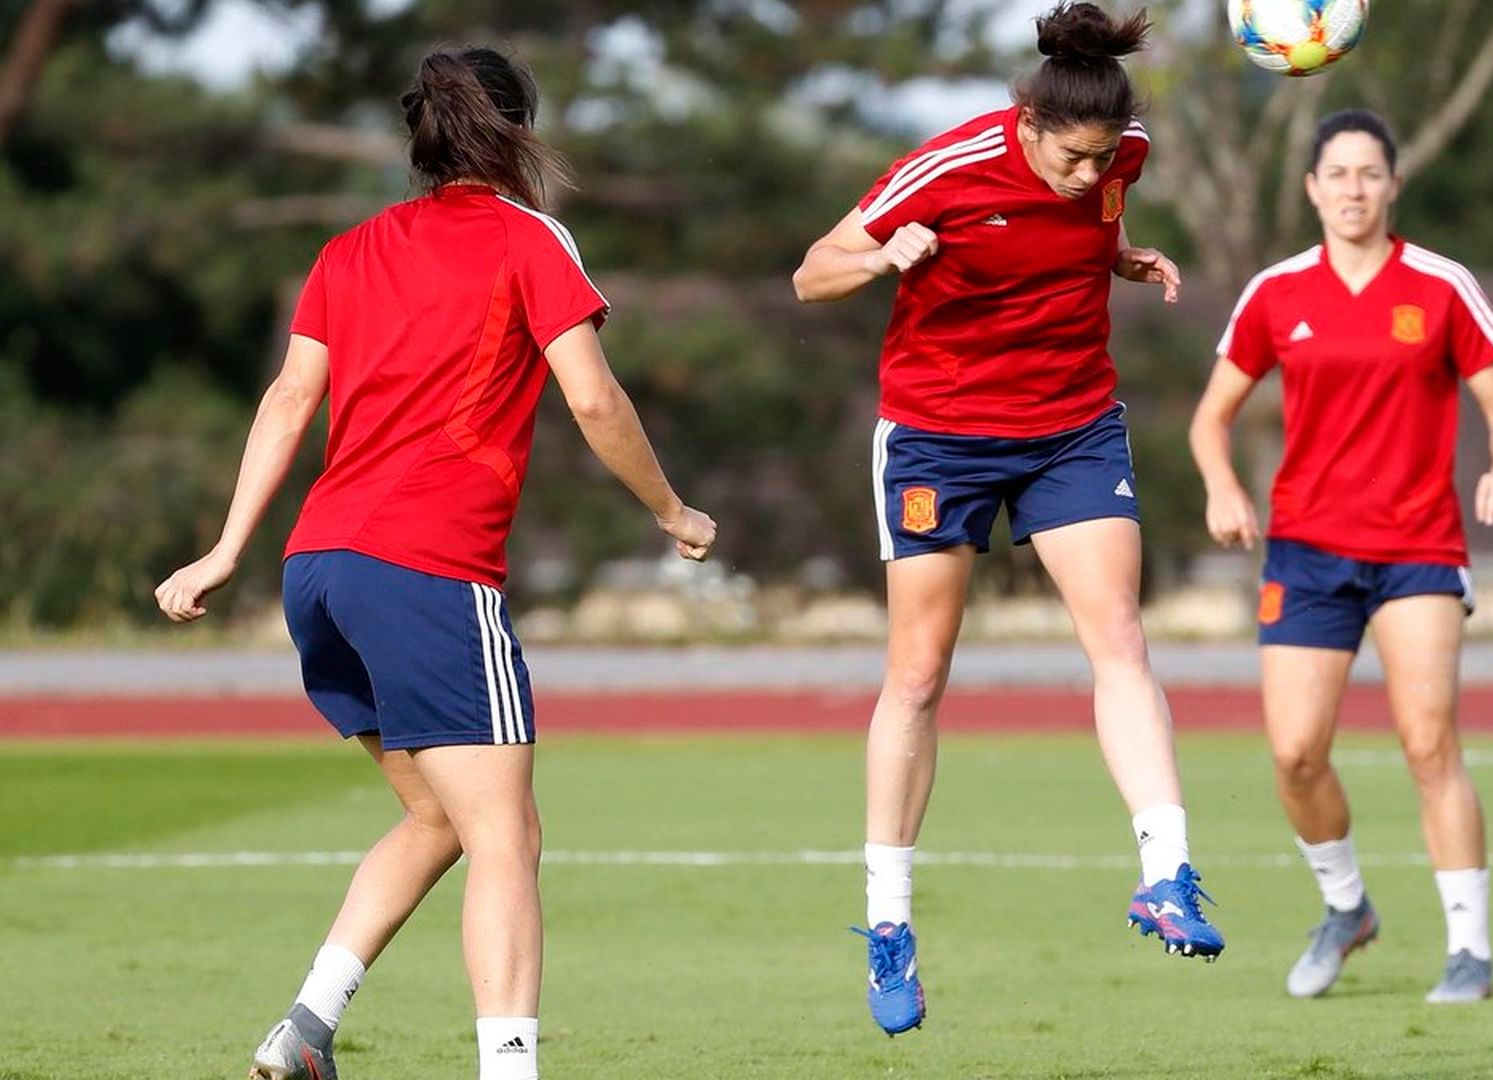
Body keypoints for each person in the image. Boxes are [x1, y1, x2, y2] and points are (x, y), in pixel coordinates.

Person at [153, 46, 715, 1079]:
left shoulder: (351, 247)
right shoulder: (529, 238)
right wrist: (672, 509)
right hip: (427, 570)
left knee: (434, 815)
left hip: (318, 569)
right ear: (517, 131)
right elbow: (594, 398)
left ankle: (305, 1034)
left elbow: (287, 401)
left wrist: (227, 548)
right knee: (510, 837)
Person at [792, 0, 1223, 1038]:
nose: (1088, 177)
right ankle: (889, 926)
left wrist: (1118, 259)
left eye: (1101, 161)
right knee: (921, 673)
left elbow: (1079, 231)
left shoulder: (1123, 158)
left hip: (1073, 427)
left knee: (1118, 635)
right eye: (1070, 159)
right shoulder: (943, 166)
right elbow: (811, 274)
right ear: (1025, 122)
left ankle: (1167, 873)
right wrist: (882, 257)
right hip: (939, 436)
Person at [1187, 108, 1493, 1005]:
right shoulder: (1276, 293)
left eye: (1369, 173)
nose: (1353, 189)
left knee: (1429, 742)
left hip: (1418, 546)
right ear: (1311, 188)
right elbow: (1210, 416)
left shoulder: (1441, 283)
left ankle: (1469, 951)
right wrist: (1224, 488)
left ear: (1393, 185)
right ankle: (1347, 909)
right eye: (1336, 174)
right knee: (1296, 754)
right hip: (1305, 551)